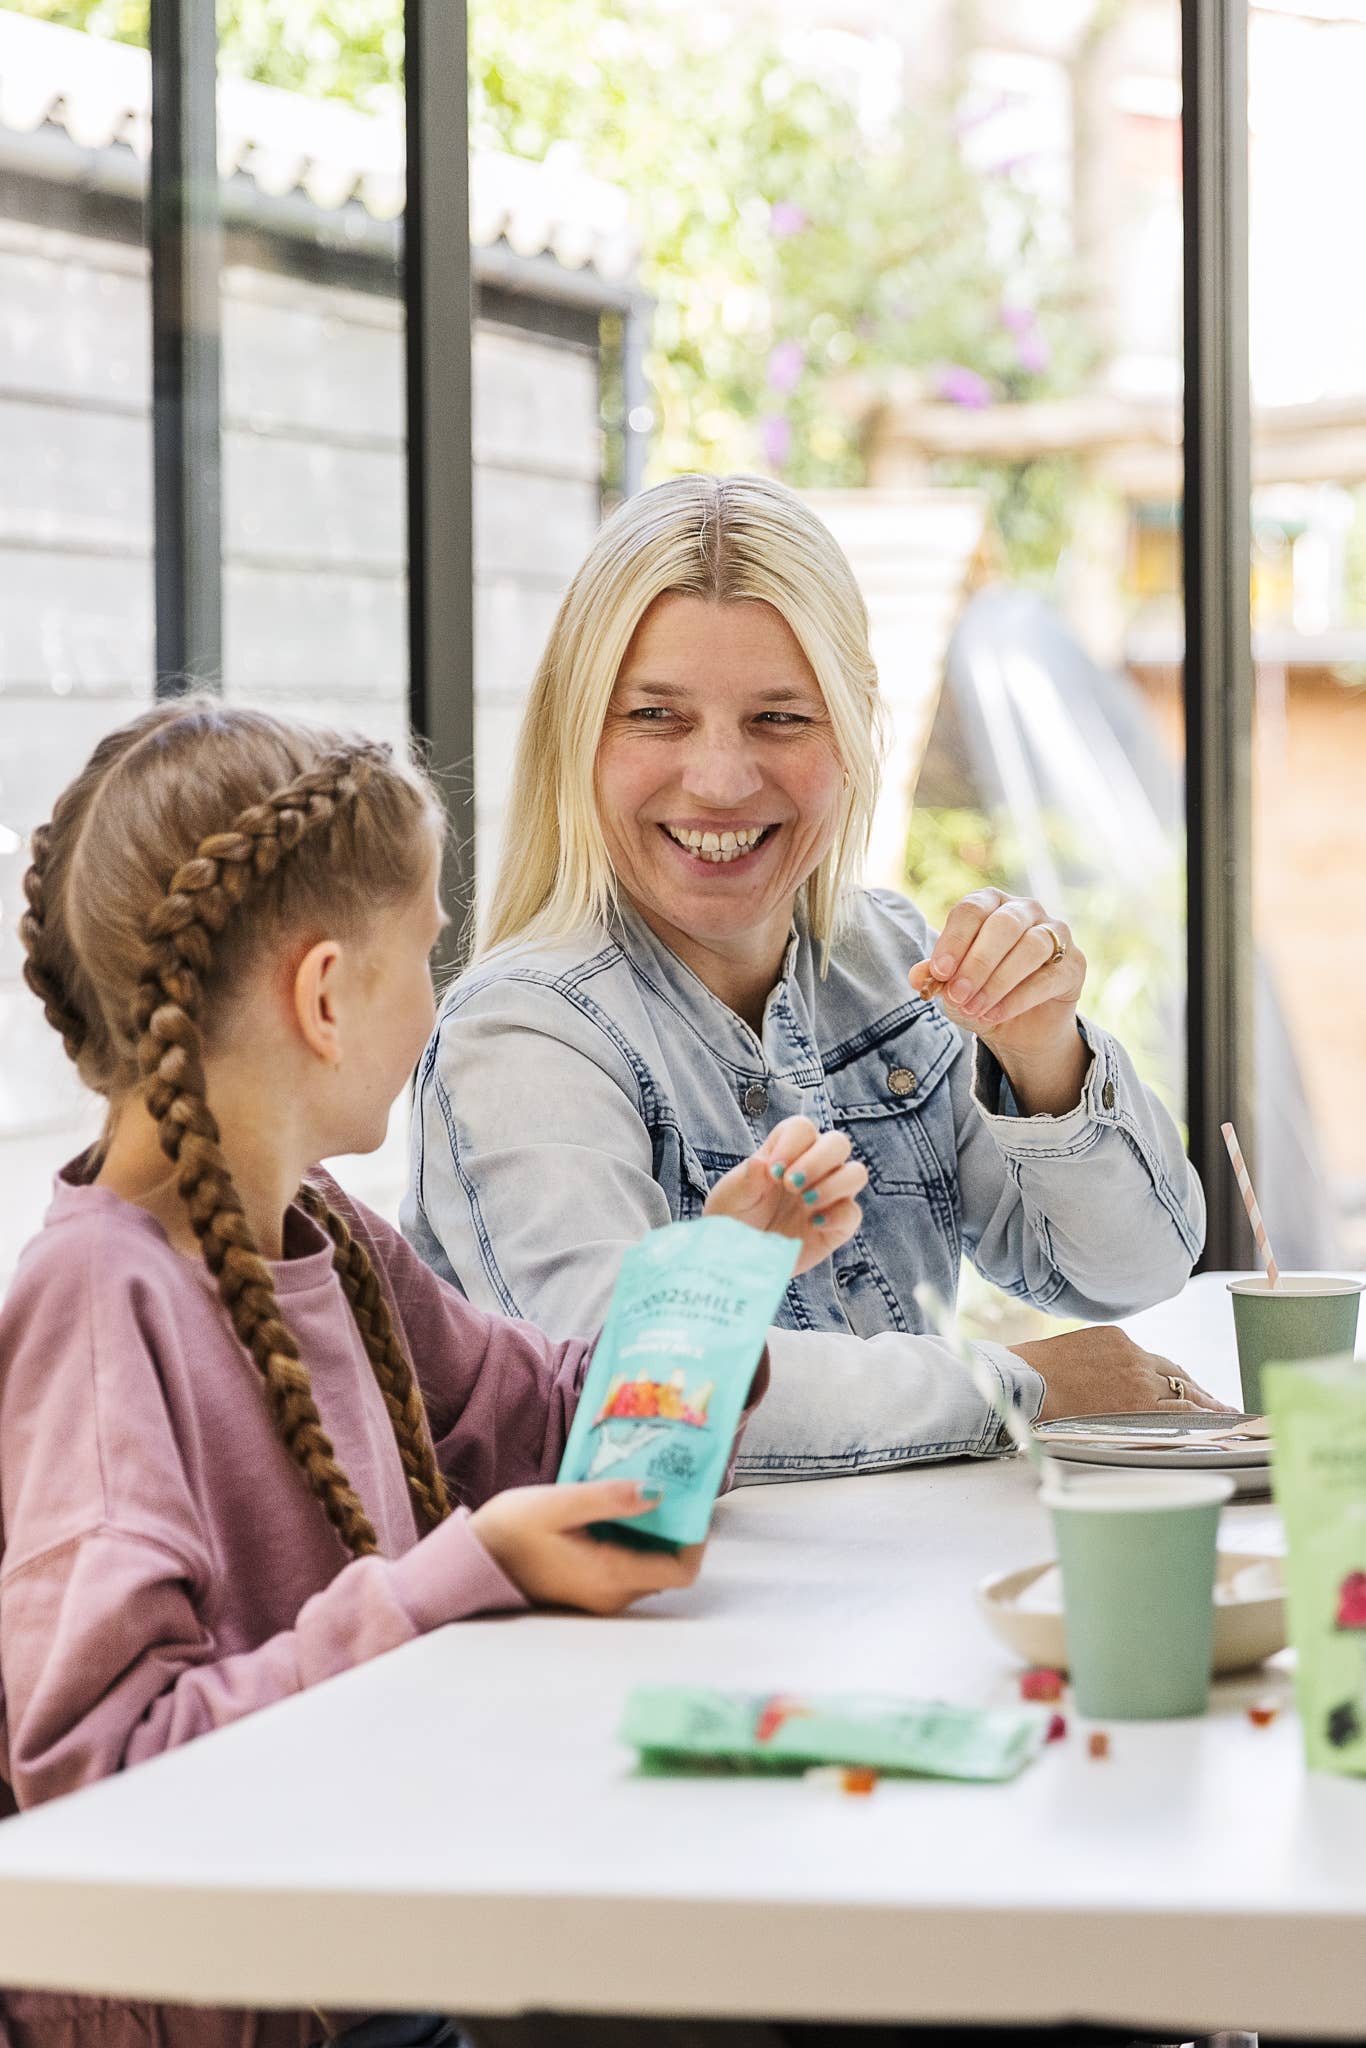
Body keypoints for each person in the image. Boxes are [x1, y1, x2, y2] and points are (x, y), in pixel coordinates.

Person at [0, 701, 858, 2048]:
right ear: (327, 995)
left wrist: (719, 1278)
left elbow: (545, 1424)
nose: (437, 1001)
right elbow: (104, 1775)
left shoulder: (333, 1242)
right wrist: (466, 1574)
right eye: (427, 952)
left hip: (371, 1967)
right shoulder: (97, 1306)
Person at [405, 473, 1219, 1476]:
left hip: (881, 1600)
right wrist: (1023, 1386)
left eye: (779, 719)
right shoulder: (523, 1035)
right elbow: (636, 1400)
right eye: (656, 714)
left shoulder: (885, 960)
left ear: (853, 731)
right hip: (637, 1630)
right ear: (577, 738)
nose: (718, 777)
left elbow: (1134, 1268)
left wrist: (1042, 1049)